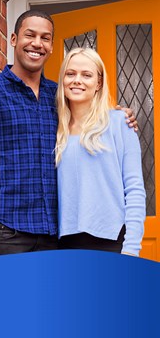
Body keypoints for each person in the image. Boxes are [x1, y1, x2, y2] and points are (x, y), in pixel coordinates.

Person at [0, 10, 137, 258]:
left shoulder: (59, 95)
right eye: (30, 35)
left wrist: (119, 115)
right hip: (4, 233)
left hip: (54, 236)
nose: (37, 43)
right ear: (14, 39)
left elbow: (90, 112)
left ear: (50, 47)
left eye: (45, 38)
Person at [56, 47, 146, 256]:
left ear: (98, 83)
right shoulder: (56, 128)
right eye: (70, 74)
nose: (77, 80)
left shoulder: (120, 123)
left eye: (86, 75)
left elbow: (134, 190)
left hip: (111, 241)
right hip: (65, 243)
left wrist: (132, 248)